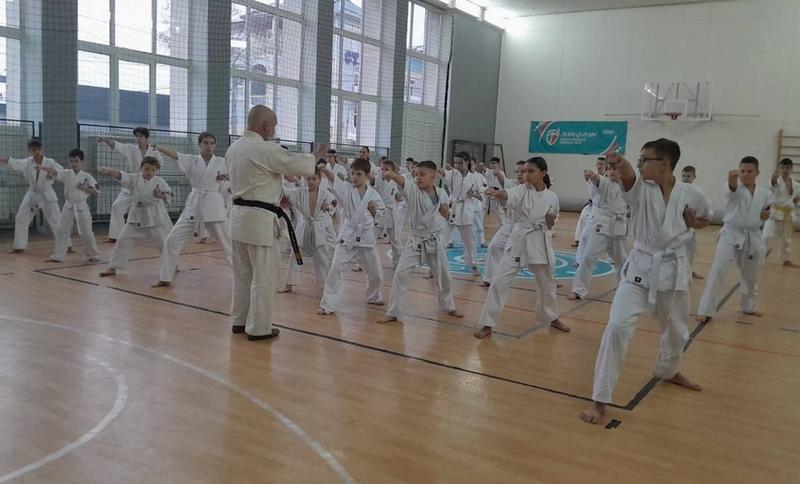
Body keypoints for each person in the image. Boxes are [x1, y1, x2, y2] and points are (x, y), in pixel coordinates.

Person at [581, 139, 712, 425]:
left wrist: (694, 224)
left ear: (664, 164)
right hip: (639, 270)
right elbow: (629, 177)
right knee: (616, 327)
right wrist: (622, 162)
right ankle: (600, 398)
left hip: (673, 274)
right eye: (638, 160)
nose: (640, 165)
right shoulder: (641, 189)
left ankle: (668, 370)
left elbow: (706, 218)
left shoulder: (693, 193)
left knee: (677, 333)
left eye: (645, 160)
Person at [226, 105, 327, 340]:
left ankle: (239, 320)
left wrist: (276, 194)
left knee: (242, 275)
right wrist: (317, 155)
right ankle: (259, 328)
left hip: (238, 219)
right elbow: (294, 163)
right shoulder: (264, 148)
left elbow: (258, 181)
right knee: (264, 277)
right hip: (259, 223)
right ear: (266, 126)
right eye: (274, 125)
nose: (274, 130)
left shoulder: (234, 148)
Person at [474, 157, 570, 338]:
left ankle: (551, 317)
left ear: (543, 173)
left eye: (530, 171)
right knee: (499, 281)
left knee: (547, 283)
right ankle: (487, 323)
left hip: (539, 241)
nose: (526, 175)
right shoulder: (521, 190)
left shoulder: (552, 197)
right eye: (524, 171)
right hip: (519, 239)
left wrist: (550, 221)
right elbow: (507, 194)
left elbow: (551, 223)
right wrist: (496, 193)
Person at [377, 161, 463, 323]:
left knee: (445, 277)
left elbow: (444, 210)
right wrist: (392, 175)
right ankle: (393, 312)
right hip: (416, 241)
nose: (418, 178)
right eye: (416, 174)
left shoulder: (441, 193)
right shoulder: (413, 191)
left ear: (433, 176)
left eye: (422, 174)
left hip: (435, 240)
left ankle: (449, 306)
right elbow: (403, 181)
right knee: (401, 274)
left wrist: (447, 213)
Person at [151, 132, 232, 287]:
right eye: (205, 143)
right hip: (194, 205)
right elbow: (175, 155)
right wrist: (159, 147)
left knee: (229, 245)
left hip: (214, 206)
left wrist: (227, 178)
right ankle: (165, 277)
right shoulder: (192, 160)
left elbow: (232, 177)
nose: (209, 146)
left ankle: (245, 279)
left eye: (212, 143)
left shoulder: (221, 161)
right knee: (171, 240)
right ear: (199, 145)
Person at [696, 157, 771, 323]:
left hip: (753, 235)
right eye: (742, 171)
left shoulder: (764, 193)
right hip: (730, 233)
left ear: (757, 173)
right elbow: (732, 187)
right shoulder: (734, 189)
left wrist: (766, 215)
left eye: (749, 171)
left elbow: (766, 211)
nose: (745, 174)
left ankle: (748, 306)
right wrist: (731, 178)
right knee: (719, 269)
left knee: (751, 275)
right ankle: (705, 310)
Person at [318, 158, 385, 315]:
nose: (354, 177)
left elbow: (381, 214)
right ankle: (328, 304)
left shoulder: (373, 194)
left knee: (375, 273)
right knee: (335, 268)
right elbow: (334, 180)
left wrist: (373, 210)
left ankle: (374, 296)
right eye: (353, 173)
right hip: (348, 236)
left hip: (366, 237)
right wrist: (325, 169)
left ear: (367, 175)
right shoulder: (347, 189)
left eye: (359, 174)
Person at [98, 157, 173, 277]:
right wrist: (110, 171)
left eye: (152, 170)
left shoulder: (159, 181)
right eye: (146, 169)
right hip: (136, 216)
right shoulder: (134, 179)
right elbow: (121, 175)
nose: (149, 172)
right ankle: (112, 267)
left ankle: (172, 265)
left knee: (162, 243)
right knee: (122, 240)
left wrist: (161, 196)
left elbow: (168, 194)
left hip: (153, 217)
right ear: (141, 168)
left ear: (156, 170)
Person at [568, 165, 629, 300]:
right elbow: (597, 180)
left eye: (615, 169)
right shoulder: (605, 182)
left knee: (622, 261)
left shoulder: (627, 185)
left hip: (618, 227)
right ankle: (578, 289)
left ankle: (625, 289)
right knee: (587, 257)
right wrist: (591, 175)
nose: (611, 172)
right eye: (609, 169)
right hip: (601, 226)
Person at [97, 127, 164, 242]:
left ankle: (161, 233)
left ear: (146, 138)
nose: (138, 138)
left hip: (148, 186)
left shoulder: (154, 152)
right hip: (132, 183)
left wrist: (150, 174)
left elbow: (160, 165)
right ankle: (115, 236)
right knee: (117, 206)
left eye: (141, 136)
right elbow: (116, 145)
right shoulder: (131, 149)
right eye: (136, 136)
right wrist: (104, 139)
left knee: (155, 209)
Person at [278, 165, 338, 293]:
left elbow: (334, 202)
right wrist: (277, 178)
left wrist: (328, 207)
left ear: (320, 179)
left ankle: (325, 285)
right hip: (303, 227)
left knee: (322, 258)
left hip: (317, 228)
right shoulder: (300, 192)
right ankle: (289, 283)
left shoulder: (324, 193)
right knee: (295, 255)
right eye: (308, 179)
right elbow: (287, 192)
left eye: (314, 179)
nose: (311, 181)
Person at [0, 139, 62, 253]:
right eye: (34, 150)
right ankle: (19, 246)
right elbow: (14, 163)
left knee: (56, 220)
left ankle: (66, 245)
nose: (37, 152)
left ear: (42, 149)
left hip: (47, 193)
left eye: (38, 149)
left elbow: (61, 172)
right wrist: (1, 158)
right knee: (21, 218)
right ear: (29, 151)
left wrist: (52, 174)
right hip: (32, 193)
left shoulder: (50, 162)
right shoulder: (27, 162)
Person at [44, 149, 100, 263]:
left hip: (81, 206)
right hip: (68, 206)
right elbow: (55, 173)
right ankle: (58, 256)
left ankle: (92, 254)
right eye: (71, 161)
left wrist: (84, 188)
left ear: (82, 161)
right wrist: (46, 170)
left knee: (87, 232)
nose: (73, 164)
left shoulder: (87, 176)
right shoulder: (66, 173)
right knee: (61, 230)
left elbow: (96, 190)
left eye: (76, 161)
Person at [479, 161, 525, 287]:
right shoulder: (512, 184)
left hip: (527, 227)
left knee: (538, 257)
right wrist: (497, 174)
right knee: (494, 246)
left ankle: (551, 280)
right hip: (511, 224)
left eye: (522, 171)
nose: (519, 174)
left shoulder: (533, 189)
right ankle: (489, 278)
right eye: (517, 172)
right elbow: (503, 181)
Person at [441, 152, 483, 276]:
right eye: (455, 163)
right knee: (441, 238)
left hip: (466, 210)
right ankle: (434, 266)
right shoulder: (452, 174)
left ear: (467, 162)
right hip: (452, 209)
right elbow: (443, 173)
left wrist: (473, 194)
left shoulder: (475, 177)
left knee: (470, 241)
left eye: (460, 163)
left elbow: (482, 196)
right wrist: (433, 169)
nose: (457, 165)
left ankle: (474, 265)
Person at [762, 158, 800, 268]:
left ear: (791, 169)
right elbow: (772, 183)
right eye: (782, 167)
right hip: (774, 214)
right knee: (766, 236)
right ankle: (759, 257)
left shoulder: (796, 185)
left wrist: (796, 200)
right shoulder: (776, 182)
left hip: (788, 215)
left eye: (787, 168)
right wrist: (774, 176)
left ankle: (786, 260)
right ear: (779, 168)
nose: (784, 170)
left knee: (787, 239)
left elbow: (795, 200)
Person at [572, 157, 606, 250]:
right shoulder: (592, 175)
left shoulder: (606, 178)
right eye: (598, 164)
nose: (599, 166)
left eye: (602, 164)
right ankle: (578, 240)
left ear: (605, 166)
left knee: (595, 224)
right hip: (591, 204)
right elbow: (588, 181)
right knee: (583, 216)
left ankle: (596, 242)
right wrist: (586, 174)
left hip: (602, 207)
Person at [374, 159, 403, 267]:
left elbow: (399, 196)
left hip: (391, 213)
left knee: (395, 240)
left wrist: (399, 195)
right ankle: (362, 263)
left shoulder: (397, 181)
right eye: (382, 169)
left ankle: (398, 264)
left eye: (386, 169)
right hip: (379, 211)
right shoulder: (378, 179)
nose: (384, 171)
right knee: (371, 238)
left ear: (393, 171)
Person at [681, 165, 706, 279]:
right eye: (684, 176)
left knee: (691, 251)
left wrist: (696, 218)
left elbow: (703, 208)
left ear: (694, 177)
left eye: (688, 176)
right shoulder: (677, 189)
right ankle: (679, 272)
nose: (686, 178)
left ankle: (690, 271)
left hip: (692, 226)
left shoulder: (698, 192)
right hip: (678, 227)